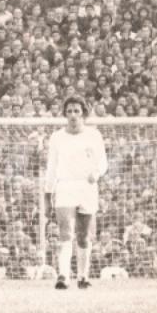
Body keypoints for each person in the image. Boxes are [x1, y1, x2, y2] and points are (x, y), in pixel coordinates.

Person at [44, 95, 108, 289]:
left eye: (77, 111)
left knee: (83, 235)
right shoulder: (57, 137)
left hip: (87, 187)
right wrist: (48, 193)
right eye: (69, 111)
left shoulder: (93, 135)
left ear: (83, 114)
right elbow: (51, 166)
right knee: (66, 232)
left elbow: (103, 162)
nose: (73, 115)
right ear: (65, 114)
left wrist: (96, 174)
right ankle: (63, 276)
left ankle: (82, 276)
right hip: (65, 186)